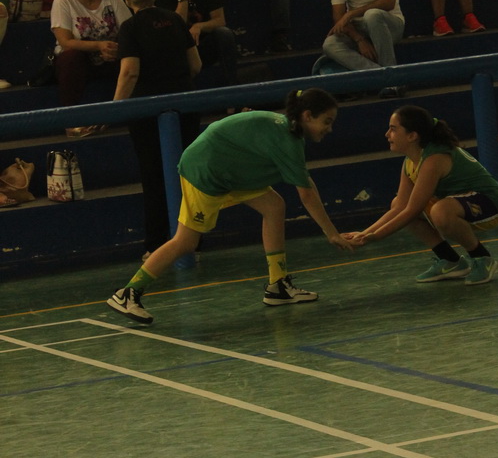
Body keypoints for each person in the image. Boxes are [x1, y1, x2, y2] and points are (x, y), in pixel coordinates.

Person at [107, 89, 356, 326]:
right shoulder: (288, 139)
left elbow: (306, 183)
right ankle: (128, 293)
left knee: (274, 206)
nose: (330, 128)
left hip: (229, 170)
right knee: (186, 242)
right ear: (307, 116)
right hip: (206, 170)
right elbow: (307, 194)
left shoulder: (287, 131)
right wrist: (332, 233)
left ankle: (278, 286)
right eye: (327, 121)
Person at [347, 105, 498, 285]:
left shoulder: (433, 159)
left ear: (412, 136)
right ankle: (450, 260)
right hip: (459, 205)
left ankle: (482, 257)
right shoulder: (410, 161)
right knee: (398, 202)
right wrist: (364, 234)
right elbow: (401, 207)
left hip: (490, 205)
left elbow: (412, 210)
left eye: (393, 129)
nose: (387, 134)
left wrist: (376, 237)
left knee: (440, 211)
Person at [114, 0, 201, 257]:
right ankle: (192, 241)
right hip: (185, 106)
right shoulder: (175, 20)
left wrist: (114, 109)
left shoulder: (130, 28)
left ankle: (156, 245)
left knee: (153, 177)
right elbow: (195, 65)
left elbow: (130, 72)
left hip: (148, 113)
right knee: (187, 176)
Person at [50, 0, 131, 133]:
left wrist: (115, 49)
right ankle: (71, 121)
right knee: (70, 58)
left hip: (110, 57)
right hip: (80, 61)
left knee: (133, 56)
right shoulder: (63, 2)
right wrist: (99, 45)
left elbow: (129, 31)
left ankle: (137, 113)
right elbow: (65, 42)